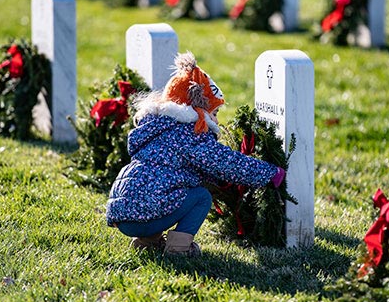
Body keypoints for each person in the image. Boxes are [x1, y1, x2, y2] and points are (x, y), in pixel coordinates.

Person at [106, 51, 285, 256]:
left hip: (122, 213)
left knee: (159, 192)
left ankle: (147, 242)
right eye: (215, 113)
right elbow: (226, 162)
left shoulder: (157, 127)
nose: (216, 121)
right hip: (145, 214)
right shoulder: (189, 133)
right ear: (197, 108)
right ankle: (178, 248)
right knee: (200, 197)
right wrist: (270, 173)